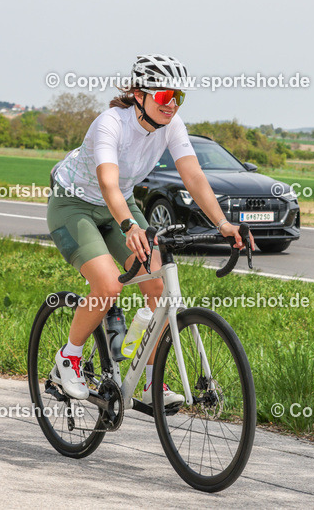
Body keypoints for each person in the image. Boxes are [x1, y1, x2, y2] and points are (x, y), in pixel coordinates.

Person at [46, 53, 252, 405]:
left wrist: (222, 223)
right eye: (163, 96)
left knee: (158, 284)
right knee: (108, 283)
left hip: (119, 206)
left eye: (178, 97)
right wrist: (128, 224)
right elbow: (108, 183)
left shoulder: (172, 126)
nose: (171, 104)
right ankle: (68, 358)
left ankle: (148, 382)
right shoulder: (110, 123)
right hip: (74, 204)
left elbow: (193, 176)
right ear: (140, 95)